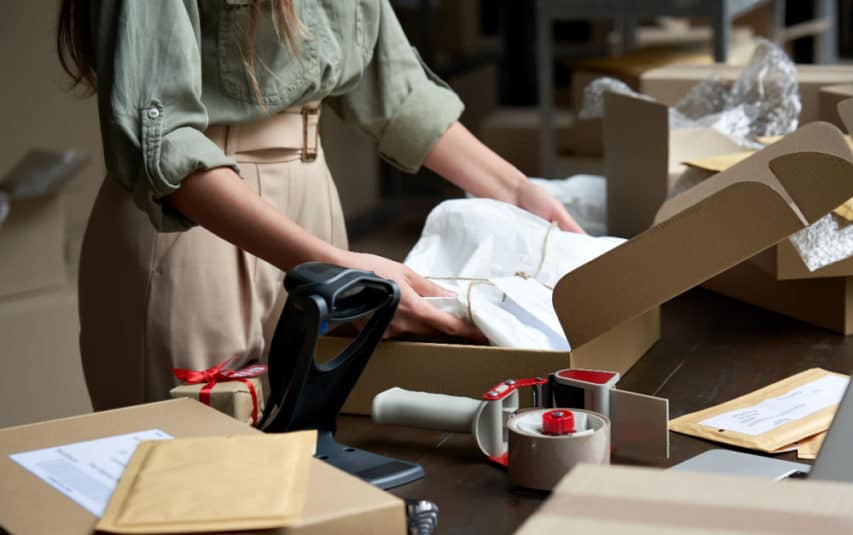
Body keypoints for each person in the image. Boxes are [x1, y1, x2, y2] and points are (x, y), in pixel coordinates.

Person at [57, 0, 583, 411]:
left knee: (309, 464)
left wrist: (517, 192)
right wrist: (335, 269)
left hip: (313, 198)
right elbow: (163, 137)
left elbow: (392, 85)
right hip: (194, 221)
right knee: (194, 476)